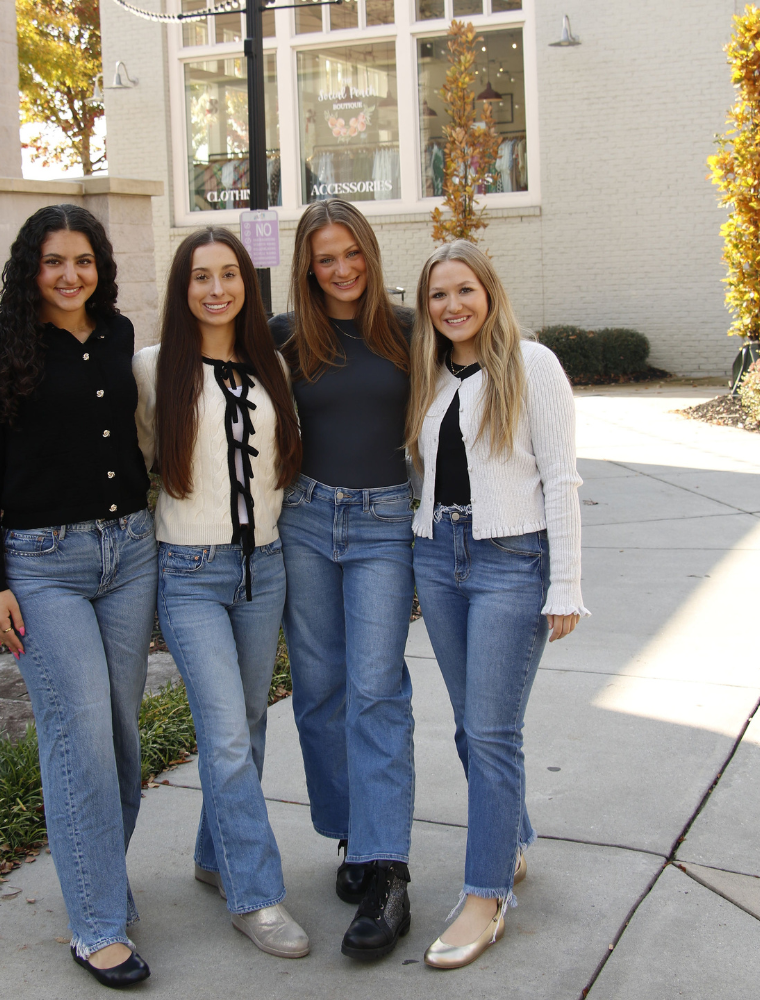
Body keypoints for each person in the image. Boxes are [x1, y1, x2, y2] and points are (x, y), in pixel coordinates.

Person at [0, 204, 156, 988]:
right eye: (52, 262)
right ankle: (97, 923)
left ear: (100, 264)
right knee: (78, 740)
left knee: (120, 737)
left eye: (82, 259)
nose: (69, 275)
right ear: (28, 269)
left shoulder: (118, 335)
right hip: (42, 567)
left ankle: (99, 874)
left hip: (130, 555)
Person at [405, 240, 588, 970]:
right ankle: (509, 838)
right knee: (471, 727)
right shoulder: (429, 373)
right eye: (438, 296)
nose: (452, 306)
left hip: (511, 559)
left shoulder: (532, 365)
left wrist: (566, 582)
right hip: (437, 558)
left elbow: (562, 479)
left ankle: (485, 895)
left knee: (490, 732)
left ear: (489, 292)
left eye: (464, 290)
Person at [132, 228, 308, 959]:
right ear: (182, 288)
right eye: (200, 276)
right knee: (227, 735)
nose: (215, 289)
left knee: (250, 725)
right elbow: (136, 463)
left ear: (246, 282)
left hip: (262, 568)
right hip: (189, 571)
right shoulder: (151, 368)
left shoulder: (272, 366)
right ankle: (256, 895)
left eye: (228, 274)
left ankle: (215, 857)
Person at [270, 199, 416, 961]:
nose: (342, 270)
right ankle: (354, 836)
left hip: (384, 521)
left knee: (376, 687)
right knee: (321, 689)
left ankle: (390, 871)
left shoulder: (408, 330)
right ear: (307, 266)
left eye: (351, 253)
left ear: (369, 252)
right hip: (306, 519)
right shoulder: (287, 336)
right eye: (325, 259)